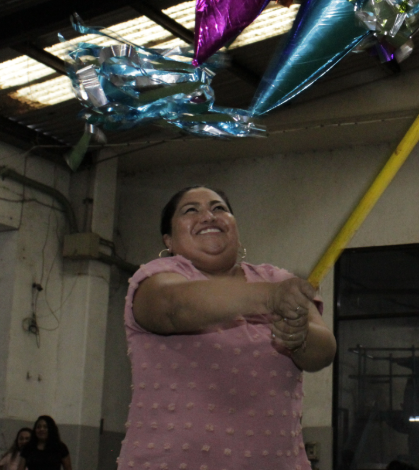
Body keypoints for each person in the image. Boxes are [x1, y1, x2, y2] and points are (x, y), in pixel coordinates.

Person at [118, 185, 337, 470]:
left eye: (219, 208)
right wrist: (269, 298)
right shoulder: (153, 278)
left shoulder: (274, 278)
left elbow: (324, 352)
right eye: (191, 210)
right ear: (168, 240)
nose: (208, 215)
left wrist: (300, 337)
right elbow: (174, 307)